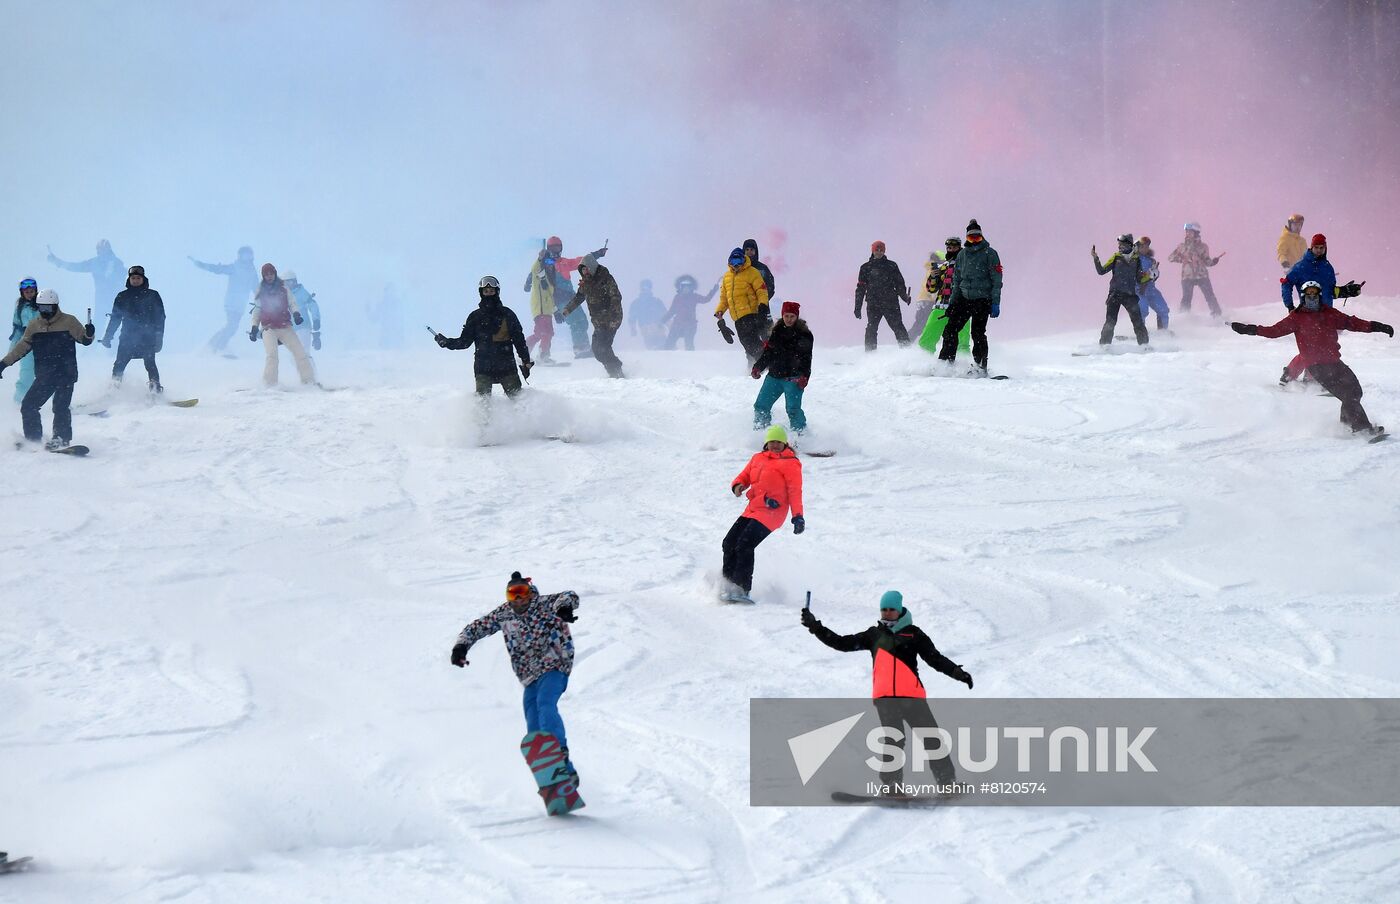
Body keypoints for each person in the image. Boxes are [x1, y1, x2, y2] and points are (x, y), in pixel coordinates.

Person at [801, 591, 973, 794]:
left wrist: (957, 672)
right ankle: (891, 786)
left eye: (892, 609)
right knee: (894, 740)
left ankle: (947, 784)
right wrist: (815, 627)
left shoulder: (914, 634)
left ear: (900, 610)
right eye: (884, 609)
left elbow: (935, 659)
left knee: (932, 738)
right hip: (886, 699)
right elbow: (841, 643)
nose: (887, 613)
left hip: (912, 696)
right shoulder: (874, 635)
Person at [451, 572, 581, 783]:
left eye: (522, 592)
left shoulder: (543, 604)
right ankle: (561, 774)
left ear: (529, 592)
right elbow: (476, 627)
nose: (518, 599)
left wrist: (564, 608)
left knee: (545, 704)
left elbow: (569, 595)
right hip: (529, 675)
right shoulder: (504, 614)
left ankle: (558, 751)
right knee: (533, 720)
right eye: (512, 594)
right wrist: (461, 646)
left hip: (554, 664)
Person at [1230, 282, 1392, 437]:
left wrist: (1377, 326)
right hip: (1317, 366)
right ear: (1303, 296)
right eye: (1309, 294)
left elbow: (1352, 322)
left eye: (1315, 293)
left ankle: (1346, 425)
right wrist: (1249, 329)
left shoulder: (1329, 313)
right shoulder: (1297, 317)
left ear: (1320, 295)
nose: (1312, 297)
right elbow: (1273, 331)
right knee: (1348, 395)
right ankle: (1362, 429)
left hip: (1335, 362)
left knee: (1355, 391)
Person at [0, 288, 95, 449]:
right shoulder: (34, 325)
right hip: (45, 375)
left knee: (60, 407)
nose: (45, 311)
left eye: (48, 308)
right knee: (28, 405)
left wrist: (89, 334)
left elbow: (84, 340)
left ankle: (61, 439)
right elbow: (21, 347)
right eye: (41, 307)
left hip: (66, 373)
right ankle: (33, 440)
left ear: (55, 306)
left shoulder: (69, 321)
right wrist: (3, 364)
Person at [721, 424, 804, 603]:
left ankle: (741, 588)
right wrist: (738, 486)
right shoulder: (757, 458)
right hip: (753, 508)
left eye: (779, 442)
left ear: (785, 444)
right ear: (766, 443)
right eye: (772, 441)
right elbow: (744, 476)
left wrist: (797, 516)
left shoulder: (791, 463)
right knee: (729, 543)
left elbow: (795, 491)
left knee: (744, 544)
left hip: (773, 513)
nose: (775, 445)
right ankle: (726, 584)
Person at [1279, 234, 1365, 384]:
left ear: (1325, 248)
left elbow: (1330, 292)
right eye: (1316, 247)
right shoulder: (1301, 266)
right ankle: (1289, 375)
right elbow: (1286, 283)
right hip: (1308, 313)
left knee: (1325, 348)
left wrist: (1346, 291)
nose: (1319, 250)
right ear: (1311, 247)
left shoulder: (1327, 267)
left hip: (1326, 314)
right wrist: (1290, 305)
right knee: (1310, 350)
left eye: (1321, 247)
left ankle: (1311, 378)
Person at [434, 276, 533, 397]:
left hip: (506, 366)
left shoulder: (508, 314)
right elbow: (464, 342)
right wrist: (447, 342)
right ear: (481, 293)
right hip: (483, 368)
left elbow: (519, 340)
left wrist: (525, 360)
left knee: (518, 400)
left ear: (497, 292)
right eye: (486, 291)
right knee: (482, 403)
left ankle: (531, 410)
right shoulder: (475, 317)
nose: (489, 294)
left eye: (491, 291)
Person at [939, 220, 1002, 373]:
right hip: (964, 298)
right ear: (966, 238)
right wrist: (952, 303)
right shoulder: (962, 255)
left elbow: (997, 279)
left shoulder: (990, 254)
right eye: (971, 237)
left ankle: (980, 366)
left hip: (982, 299)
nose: (974, 241)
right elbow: (957, 281)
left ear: (982, 237)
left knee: (977, 333)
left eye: (977, 237)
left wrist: (995, 302)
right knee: (950, 330)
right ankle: (945, 364)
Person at [248, 263, 315, 387]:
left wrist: (296, 314)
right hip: (268, 329)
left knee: (300, 353)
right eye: (266, 275)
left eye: (271, 274)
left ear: (275, 274)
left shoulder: (283, 288)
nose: (269, 276)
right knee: (272, 356)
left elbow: (292, 303)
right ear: (263, 276)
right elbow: (257, 310)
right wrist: (254, 327)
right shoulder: (260, 292)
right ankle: (269, 384)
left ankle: (309, 381)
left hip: (285, 327)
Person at [540, 236, 607, 360]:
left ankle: (584, 347)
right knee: (576, 322)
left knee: (582, 321)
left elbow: (580, 261)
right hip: (560, 300)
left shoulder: (564, 262)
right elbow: (540, 272)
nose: (555, 250)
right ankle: (580, 348)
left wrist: (597, 254)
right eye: (553, 248)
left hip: (571, 298)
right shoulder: (547, 264)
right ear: (548, 249)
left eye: (558, 247)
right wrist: (542, 258)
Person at [751, 301, 813, 434]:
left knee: (793, 409)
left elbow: (806, 358)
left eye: (792, 316)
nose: (789, 319)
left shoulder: (804, 334)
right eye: (786, 316)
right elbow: (768, 353)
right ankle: (761, 433)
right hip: (774, 376)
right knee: (761, 406)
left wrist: (804, 376)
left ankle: (800, 436)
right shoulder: (776, 331)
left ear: (797, 316)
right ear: (782, 316)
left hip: (794, 379)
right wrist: (758, 367)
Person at [102, 265, 167, 392]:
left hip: (147, 338)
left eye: (138, 278)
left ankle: (155, 390)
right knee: (119, 365)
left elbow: (160, 318)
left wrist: (159, 337)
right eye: (133, 278)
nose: (135, 280)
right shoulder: (122, 296)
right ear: (129, 279)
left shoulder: (153, 295)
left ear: (143, 279)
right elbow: (115, 318)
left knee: (150, 364)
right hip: (127, 338)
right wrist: (108, 337)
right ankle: (113, 391)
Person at [559, 254, 625, 378]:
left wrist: (613, 317)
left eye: (586, 268)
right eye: (583, 270)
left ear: (592, 267)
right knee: (597, 349)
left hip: (611, 320)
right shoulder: (586, 283)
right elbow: (579, 297)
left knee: (603, 347)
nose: (585, 272)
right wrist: (567, 309)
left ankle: (616, 371)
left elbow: (616, 297)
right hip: (598, 321)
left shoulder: (605, 278)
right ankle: (614, 370)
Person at [190, 246, 258, 353]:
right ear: (240, 256)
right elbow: (217, 269)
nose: (247, 258)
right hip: (231, 302)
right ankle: (218, 347)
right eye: (245, 255)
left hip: (241, 305)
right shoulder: (235, 267)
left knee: (232, 327)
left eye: (249, 255)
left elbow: (257, 288)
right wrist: (201, 264)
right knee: (232, 326)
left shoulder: (252, 272)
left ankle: (212, 345)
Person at [715, 247, 771, 367]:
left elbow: (761, 291)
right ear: (729, 262)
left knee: (751, 341)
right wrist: (719, 311)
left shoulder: (752, 272)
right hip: (737, 317)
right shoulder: (727, 277)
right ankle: (765, 362)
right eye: (733, 261)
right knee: (747, 343)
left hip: (751, 314)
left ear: (743, 260)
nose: (736, 265)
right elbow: (724, 299)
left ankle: (765, 364)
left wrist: (763, 305)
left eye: (739, 261)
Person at [47, 239, 124, 323]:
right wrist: (58, 262)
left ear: (108, 249)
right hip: (102, 297)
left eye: (103, 249)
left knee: (113, 321)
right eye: (99, 250)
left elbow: (121, 280)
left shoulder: (115, 263)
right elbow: (77, 267)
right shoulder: (96, 262)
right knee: (102, 321)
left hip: (113, 297)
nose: (100, 252)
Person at [1092, 234, 1150, 347]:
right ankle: (1104, 346)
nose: (1119, 247)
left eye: (1121, 245)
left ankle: (1144, 346)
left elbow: (1140, 279)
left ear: (1128, 245)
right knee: (1110, 321)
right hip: (1115, 294)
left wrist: (1150, 276)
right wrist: (1096, 258)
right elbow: (1101, 271)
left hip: (1130, 296)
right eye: (1119, 245)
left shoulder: (1136, 259)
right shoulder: (1116, 257)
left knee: (1138, 321)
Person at [917, 237, 971, 355]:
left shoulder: (967, 264)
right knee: (929, 334)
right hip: (941, 305)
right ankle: (923, 358)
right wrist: (933, 277)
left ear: (959, 247)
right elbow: (931, 289)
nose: (951, 250)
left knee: (962, 337)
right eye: (949, 248)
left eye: (954, 247)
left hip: (961, 306)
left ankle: (963, 360)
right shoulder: (944, 266)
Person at [854, 240, 911, 351]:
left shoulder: (892, 265)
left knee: (898, 326)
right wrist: (857, 307)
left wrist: (905, 297)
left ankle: (907, 351)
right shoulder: (865, 267)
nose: (879, 252)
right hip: (873, 304)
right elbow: (860, 288)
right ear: (872, 251)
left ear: (884, 251)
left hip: (891, 303)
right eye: (877, 250)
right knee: (871, 328)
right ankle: (870, 354)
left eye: (881, 250)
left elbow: (899, 284)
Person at [1167, 222, 1224, 317]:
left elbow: (1207, 261)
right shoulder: (1182, 247)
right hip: (1187, 276)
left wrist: (1213, 262)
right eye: (1186, 232)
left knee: (1210, 296)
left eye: (1190, 232)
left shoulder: (1203, 247)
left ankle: (1217, 315)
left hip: (1202, 275)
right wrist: (1183, 259)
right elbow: (1170, 258)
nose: (1187, 234)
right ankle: (1183, 317)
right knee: (1186, 298)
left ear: (1196, 232)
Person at [661, 274, 717, 351]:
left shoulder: (694, 296)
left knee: (689, 344)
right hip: (677, 324)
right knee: (668, 344)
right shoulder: (677, 297)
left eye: (688, 287)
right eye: (684, 287)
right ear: (680, 287)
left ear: (692, 288)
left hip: (690, 325)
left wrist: (714, 290)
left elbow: (706, 299)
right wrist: (662, 321)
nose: (686, 289)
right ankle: (666, 356)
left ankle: (691, 357)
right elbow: (672, 311)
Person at [9, 279, 40, 403]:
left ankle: (60, 402)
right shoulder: (20, 308)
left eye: (31, 291)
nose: (29, 294)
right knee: (27, 374)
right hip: (26, 345)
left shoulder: (42, 304)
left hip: (44, 344)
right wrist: (12, 350)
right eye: (26, 292)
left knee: (50, 373)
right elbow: (17, 329)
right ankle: (19, 401)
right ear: (22, 292)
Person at [1135, 237, 1170, 333]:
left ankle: (1163, 332)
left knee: (1163, 309)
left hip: (1151, 290)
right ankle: (1140, 333)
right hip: (1138, 291)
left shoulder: (1151, 261)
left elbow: (1154, 277)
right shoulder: (1133, 260)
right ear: (1137, 247)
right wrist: (1146, 275)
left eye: (1147, 246)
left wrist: (1155, 274)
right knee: (1142, 310)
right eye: (1142, 246)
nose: (1145, 249)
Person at [742, 238, 776, 337]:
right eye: (747, 249)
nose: (749, 252)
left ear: (756, 251)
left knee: (768, 335)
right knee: (750, 338)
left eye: (752, 250)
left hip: (763, 308)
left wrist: (762, 300)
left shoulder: (763, 268)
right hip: (746, 309)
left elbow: (771, 286)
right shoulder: (739, 269)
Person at [282, 270, 323, 351]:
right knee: (293, 354)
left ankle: (307, 359)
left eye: (290, 282)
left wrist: (316, 320)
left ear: (294, 281)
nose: (288, 285)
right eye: (285, 283)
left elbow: (313, 305)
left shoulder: (301, 292)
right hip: (289, 329)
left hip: (303, 327)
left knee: (303, 352)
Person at [628, 279, 668, 349]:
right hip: (645, 328)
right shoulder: (636, 303)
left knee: (664, 345)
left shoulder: (657, 301)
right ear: (641, 289)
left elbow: (665, 314)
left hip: (658, 327)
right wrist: (633, 328)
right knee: (651, 346)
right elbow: (632, 317)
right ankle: (653, 350)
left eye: (647, 287)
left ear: (650, 289)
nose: (645, 290)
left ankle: (667, 348)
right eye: (643, 288)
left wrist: (670, 325)